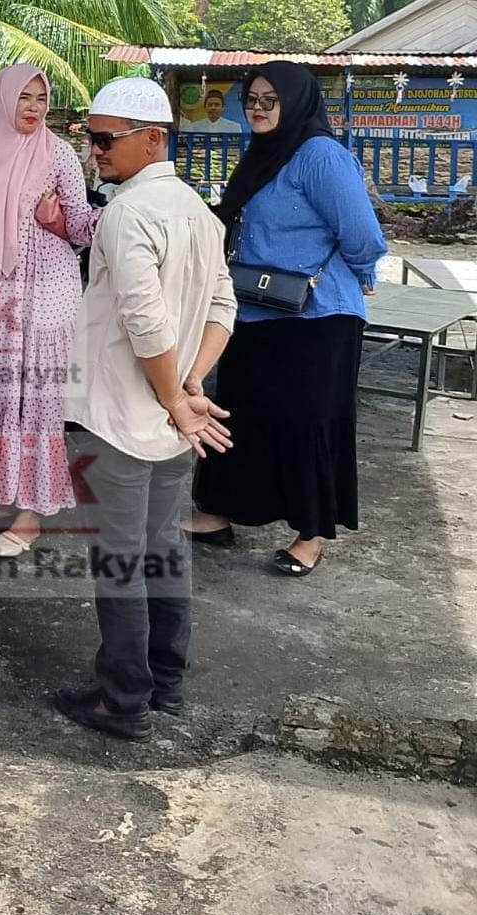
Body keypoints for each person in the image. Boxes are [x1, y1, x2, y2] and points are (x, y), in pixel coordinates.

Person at [56, 77, 237, 742]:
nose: (94, 150)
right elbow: (223, 306)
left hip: (120, 417)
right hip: (165, 420)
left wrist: (175, 398)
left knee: (121, 561)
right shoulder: (197, 210)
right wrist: (188, 385)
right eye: (89, 137)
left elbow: (145, 320)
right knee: (163, 551)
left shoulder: (128, 213)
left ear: (153, 139)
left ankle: (124, 700)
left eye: (105, 139)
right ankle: (165, 682)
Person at [186, 62, 388, 577]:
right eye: (251, 99)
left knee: (307, 422)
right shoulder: (263, 154)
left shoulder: (320, 156)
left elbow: (363, 236)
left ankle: (310, 533)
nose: (257, 109)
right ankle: (219, 511)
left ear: (296, 102)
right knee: (241, 411)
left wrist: (364, 274)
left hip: (318, 315)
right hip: (255, 306)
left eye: (269, 100)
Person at [0, 64, 99, 557]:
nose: (33, 107)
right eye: (24, 97)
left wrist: (65, 219)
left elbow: (83, 227)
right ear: (3, 99)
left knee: (35, 398)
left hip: (45, 291)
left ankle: (31, 513)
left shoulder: (59, 154)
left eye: (41, 98)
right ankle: (3, 491)